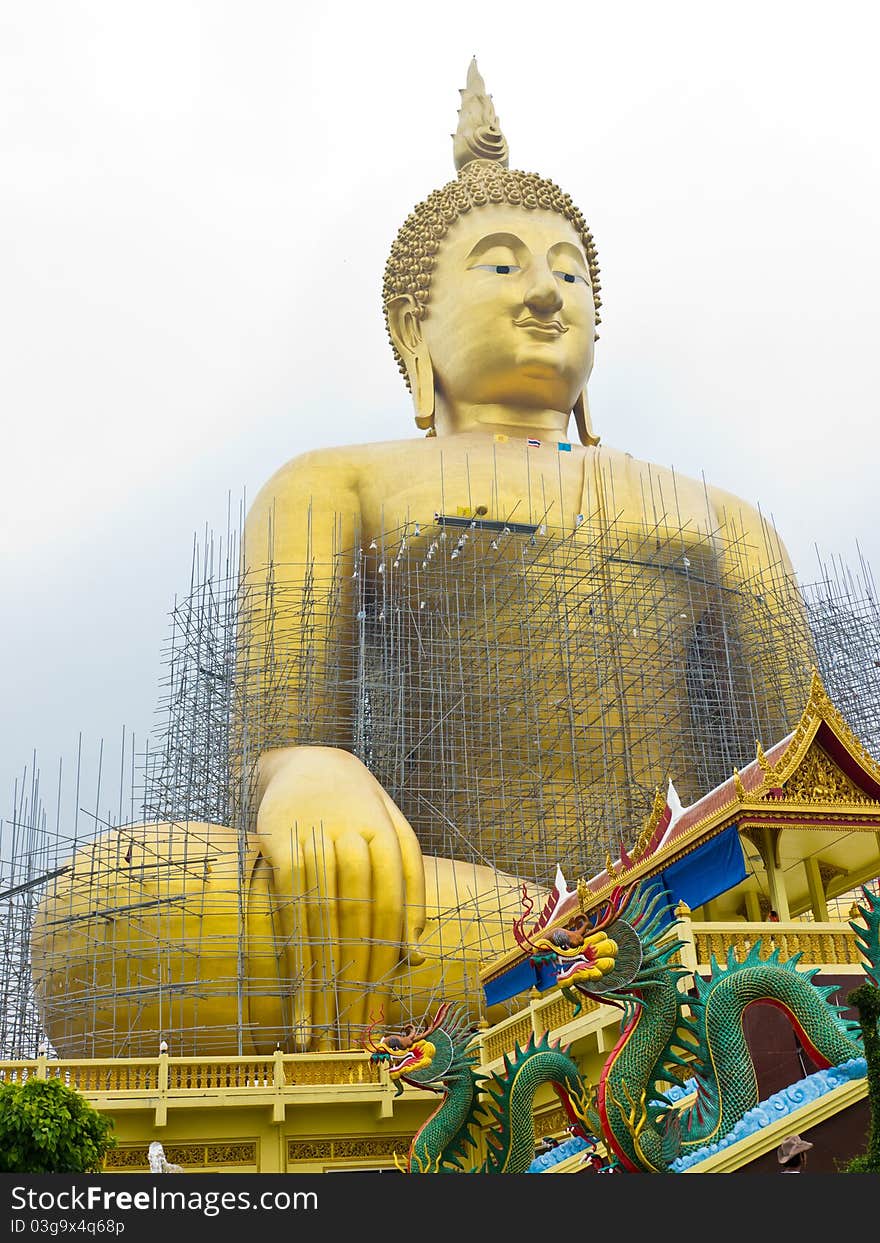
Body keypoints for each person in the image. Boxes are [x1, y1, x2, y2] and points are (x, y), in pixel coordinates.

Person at [32, 61, 813, 1056]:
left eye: (570, 272)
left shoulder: (725, 519)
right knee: (115, 901)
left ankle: (620, 981)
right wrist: (306, 770)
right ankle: (631, 994)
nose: (544, 294)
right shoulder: (331, 481)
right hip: (462, 922)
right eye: (501, 265)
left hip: (694, 915)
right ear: (416, 331)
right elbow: (276, 736)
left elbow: (815, 780)